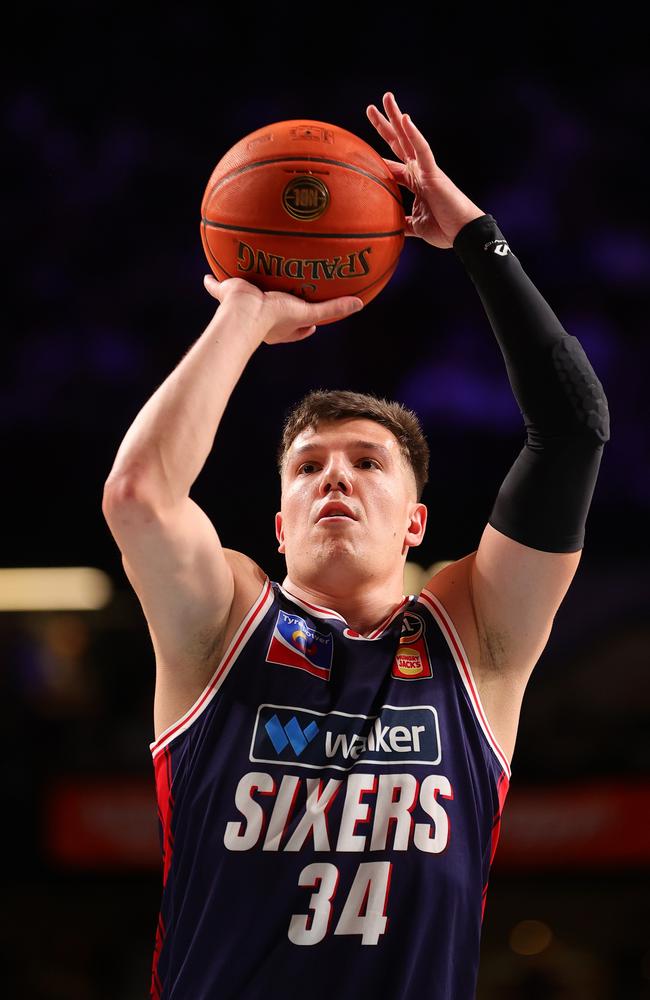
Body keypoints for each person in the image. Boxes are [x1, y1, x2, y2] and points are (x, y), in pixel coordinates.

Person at [102, 92, 610, 999]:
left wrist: (476, 241)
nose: (334, 478)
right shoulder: (220, 624)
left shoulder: (478, 638)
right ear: (278, 523)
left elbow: (572, 428)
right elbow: (140, 496)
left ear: (418, 522)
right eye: (307, 468)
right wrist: (248, 311)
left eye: (368, 463)